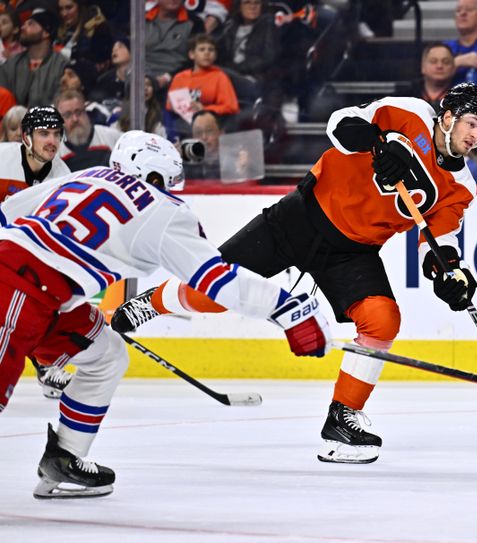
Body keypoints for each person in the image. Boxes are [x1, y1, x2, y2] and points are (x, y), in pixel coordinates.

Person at [111, 83, 477, 464]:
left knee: (382, 319)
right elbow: (340, 125)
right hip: (301, 217)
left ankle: (342, 419)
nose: (476, 135)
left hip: (352, 250)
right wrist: (376, 142)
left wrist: (449, 273)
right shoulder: (408, 112)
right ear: (447, 116)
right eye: (471, 124)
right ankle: (152, 302)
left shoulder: (461, 185)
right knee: (213, 292)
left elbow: (439, 238)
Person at [0, 129, 331, 499]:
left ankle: (64, 457)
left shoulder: (85, 176)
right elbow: (217, 281)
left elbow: (6, 214)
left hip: (48, 295)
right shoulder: (163, 209)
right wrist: (286, 307)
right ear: (158, 176)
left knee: (106, 354)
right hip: (19, 287)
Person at [0, 106, 72, 398]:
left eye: (56, 134)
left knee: (41, 295)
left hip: (16, 253)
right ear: (26, 137)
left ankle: (45, 364)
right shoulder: (2, 160)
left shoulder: (62, 176)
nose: (51, 141)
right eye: (44, 133)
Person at [0, 8, 68, 107]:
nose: (23, 27)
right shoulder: (10, 65)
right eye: (24, 24)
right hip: (12, 120)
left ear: (46, 32)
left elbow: (61, 102)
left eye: (30, 24)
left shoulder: (61, 65)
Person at [55, 89, 121, 170]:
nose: (75, 119)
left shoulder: (111, 136)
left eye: (78, 112)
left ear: (86, 112)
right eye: (68, 115)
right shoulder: (55, 152)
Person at [411, 42, 457, 111]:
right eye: (433, 61)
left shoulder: (464, 100)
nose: (439, 66)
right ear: (422, 67)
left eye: (446, 62)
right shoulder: (405, 98)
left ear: (453, 68)